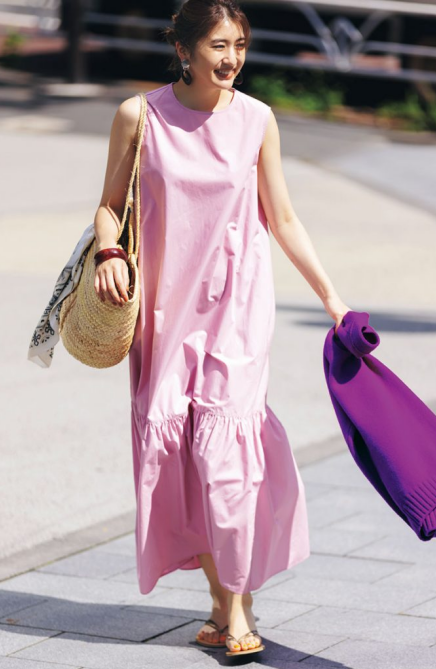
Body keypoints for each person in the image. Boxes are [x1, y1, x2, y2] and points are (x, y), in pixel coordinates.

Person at [93, 0, 351, 657]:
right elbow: (109, 206)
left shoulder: (257, 120)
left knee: (226, 459)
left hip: (236, 314)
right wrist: (110, 253)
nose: (232, 57)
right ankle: (221, 601)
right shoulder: (139, 116)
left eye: (239, 44)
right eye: (218, 45)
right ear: (183, 49)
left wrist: (331, 296)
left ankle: (237, 611)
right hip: (163, 316)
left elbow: (282, 217)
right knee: (184, 461)